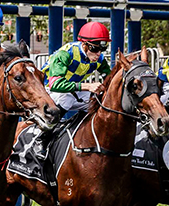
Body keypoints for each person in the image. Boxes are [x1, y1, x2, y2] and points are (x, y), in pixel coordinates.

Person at [33, 21, 112, 158]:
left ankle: (82, 133)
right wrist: (88, 86)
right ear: (84, 44)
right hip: (47, 91)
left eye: (102, 49)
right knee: (67, 97)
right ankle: (42, 138)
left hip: (70, 90)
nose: (98, 53)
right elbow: (55, 84)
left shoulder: (99, 59)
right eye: (94, 49)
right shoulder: (65, 54)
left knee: (98, 101)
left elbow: (110, 78)